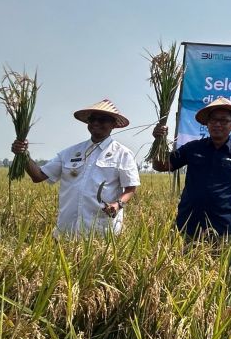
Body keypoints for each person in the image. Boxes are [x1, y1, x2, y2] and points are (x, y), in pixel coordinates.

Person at [10, 99, 140, 237]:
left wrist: (117, 205)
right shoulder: (70, 152)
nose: (96, 123)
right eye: (92, 119)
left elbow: (131, 188)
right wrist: (23, 154)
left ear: (113, 124)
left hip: (102, 230)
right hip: (67, 228)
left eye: (102, 120)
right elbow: (38, 176)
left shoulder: (122, 154)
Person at [152, 97, 231, 240]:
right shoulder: (193, 148)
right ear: (207, 124)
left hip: (223, 226)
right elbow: (160, 166)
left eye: (223, 120)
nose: (217, 124)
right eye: (213, 120)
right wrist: (158, 141)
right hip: (188, 224)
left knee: (221, 262)